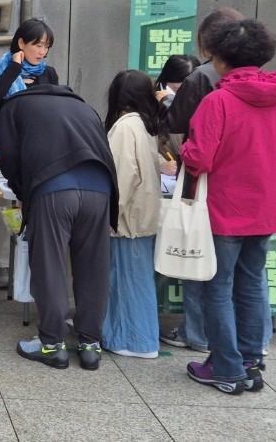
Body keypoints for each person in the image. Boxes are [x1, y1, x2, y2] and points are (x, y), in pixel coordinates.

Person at [180, 19, 276, 395]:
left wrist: (188, 149)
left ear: (220, 58)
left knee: (217, 289)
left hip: (224, 209)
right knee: (252, 284)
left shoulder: (218, 101)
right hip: (265, 207)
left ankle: (226, 368)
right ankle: (251, 362)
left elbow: (199, 158)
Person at [0, 82, 118, 371]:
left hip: (53, 190)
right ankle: (90, 344)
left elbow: (8, 157)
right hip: (100, 190)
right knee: (93, 268)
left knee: (49, 265)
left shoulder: (14, 106)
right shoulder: (83, 107)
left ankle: (51, 343)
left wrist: (23, 190)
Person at [159, 7, 243, 354]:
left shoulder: (204, 78)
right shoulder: (269, 83)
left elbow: (181, 130)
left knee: (199, 263)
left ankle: (197, 333)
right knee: (245, 276)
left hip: (206, 185)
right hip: (251, 190)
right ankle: (249, 345)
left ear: (206, 42)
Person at [0, 18, 59, 290]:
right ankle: (1, 266)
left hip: (37, 148)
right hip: (4, 147)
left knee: (35, 207)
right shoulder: (2, 68)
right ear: (21, 42)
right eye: (37, 44)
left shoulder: (49, 74)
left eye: (46, 46)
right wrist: (14, 68)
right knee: (3, 207)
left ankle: (30, 264)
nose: (42, 51)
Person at [102, 70, 167, 359]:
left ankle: (135, 340)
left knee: (127, 280)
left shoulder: (124, 127)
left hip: (129, 221)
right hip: (143, 217)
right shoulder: (144, 124)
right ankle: (131, 336)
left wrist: (108, 217)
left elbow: (121, 179)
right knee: (135, 280)